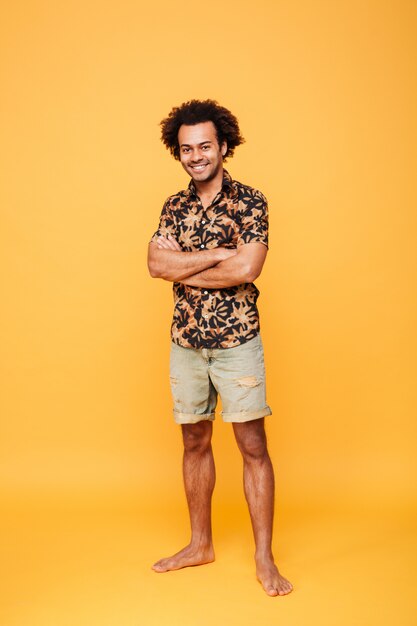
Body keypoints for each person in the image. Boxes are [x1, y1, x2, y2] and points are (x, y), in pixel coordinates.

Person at [147, 99, 293, 597]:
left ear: (224, 146)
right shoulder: (173, 206)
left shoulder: (251, 202)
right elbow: (155, 265)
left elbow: (246, 270)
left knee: (253, 446)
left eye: (205, 145)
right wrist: (215, 254)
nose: (196, 156)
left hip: (237, 342)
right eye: (187, 149)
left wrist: (185, 263)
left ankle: (263, 557)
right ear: (179, 153)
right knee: (193, 442)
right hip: (185, 342)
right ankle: (199, 543)